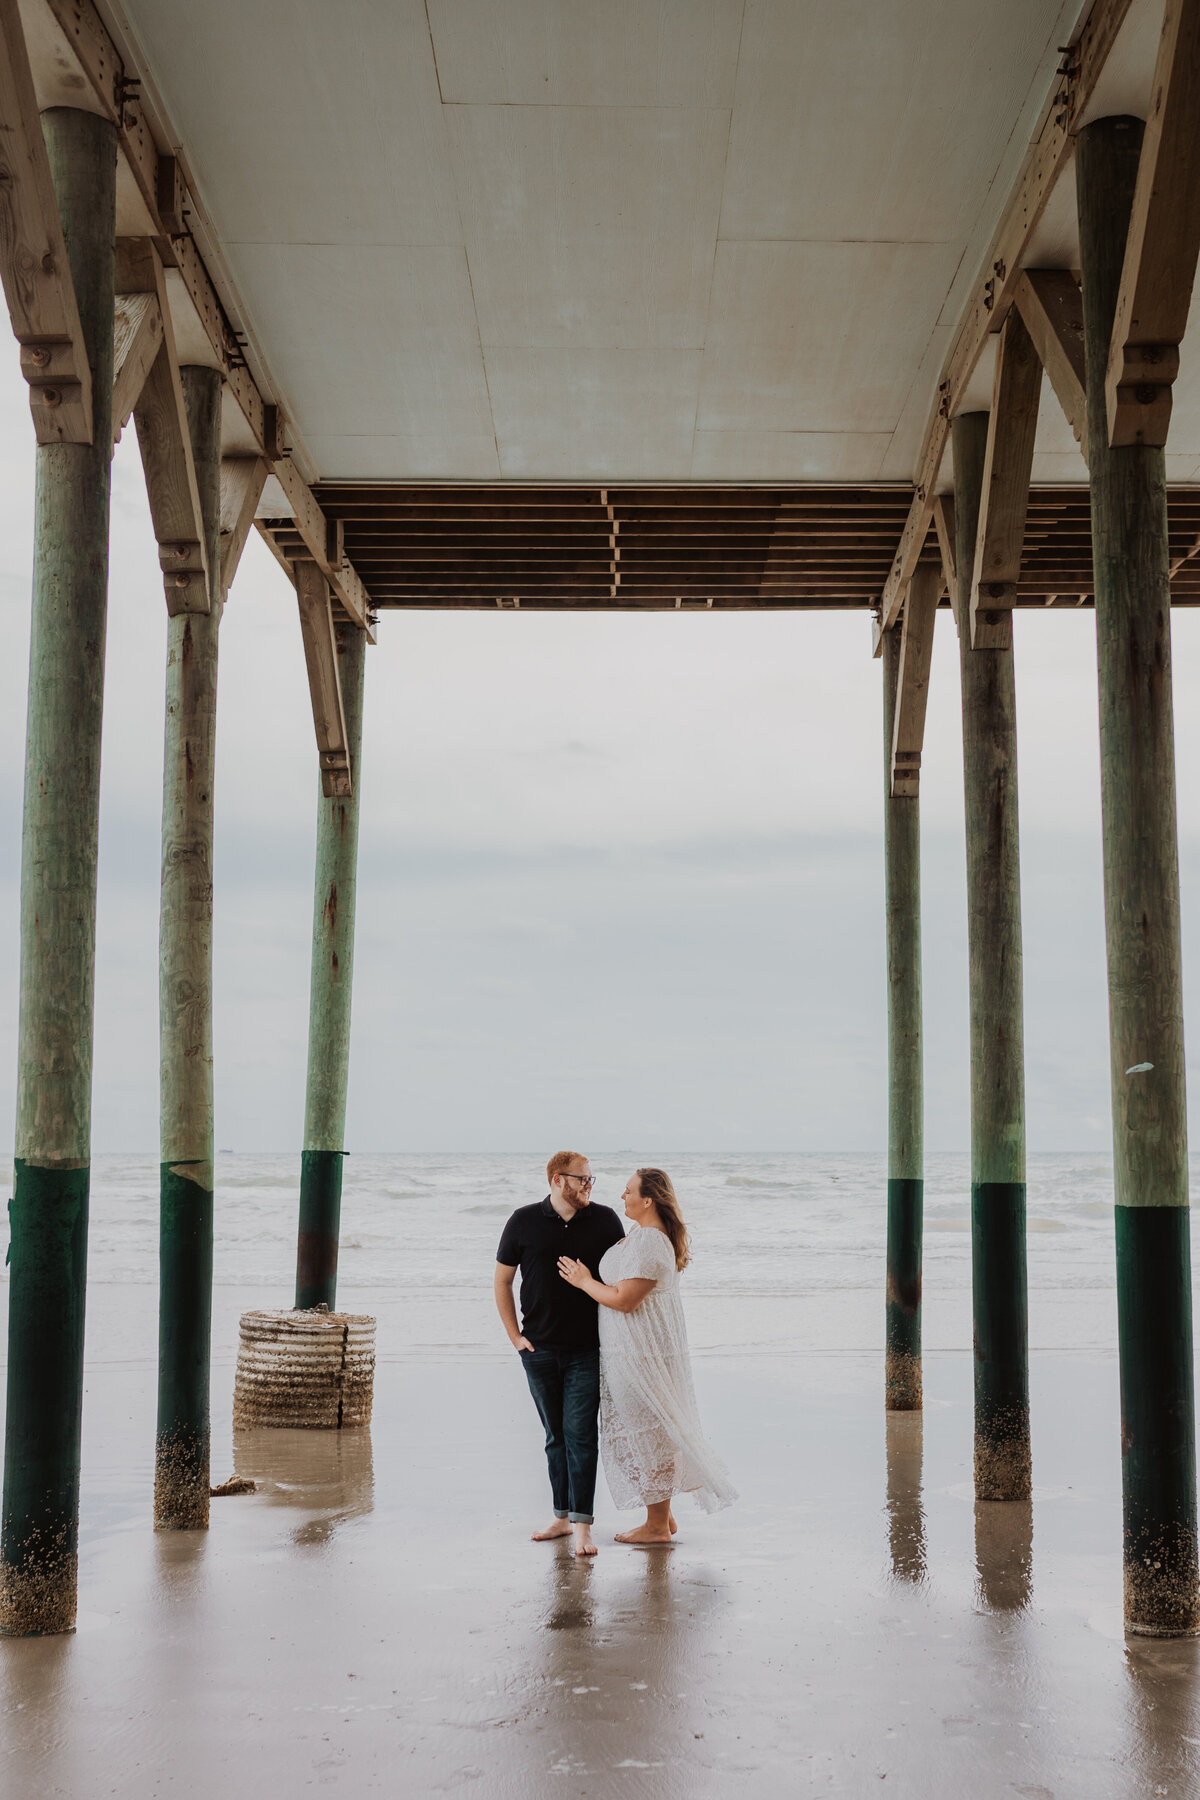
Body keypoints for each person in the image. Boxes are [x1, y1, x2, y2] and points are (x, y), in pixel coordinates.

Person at [558, 1166, 736, 1544]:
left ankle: (656, 1526)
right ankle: (663, 1518)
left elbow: (625, 1300)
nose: (621, 1196)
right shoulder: (641, 1235)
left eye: (627, 1191)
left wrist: (584, 1281)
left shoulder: (651, 1241)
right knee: (649, 1430)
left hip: (640, 1355)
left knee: (648, 1435)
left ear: (648, 1199)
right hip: (629, 1351)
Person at [495, 1151, 624, 1557]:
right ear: (556, 1180)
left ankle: (583, 1528)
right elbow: (502, 1281)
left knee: (581, 1437)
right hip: (538, 1349)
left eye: (591, 1179)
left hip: (588, 1350)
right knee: (555, 1438)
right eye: (582, 1179)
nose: (589, 1186)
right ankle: (561, 1517)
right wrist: (516, 1338)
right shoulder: (522, 1221)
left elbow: (625, 1277)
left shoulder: (605, 1221)